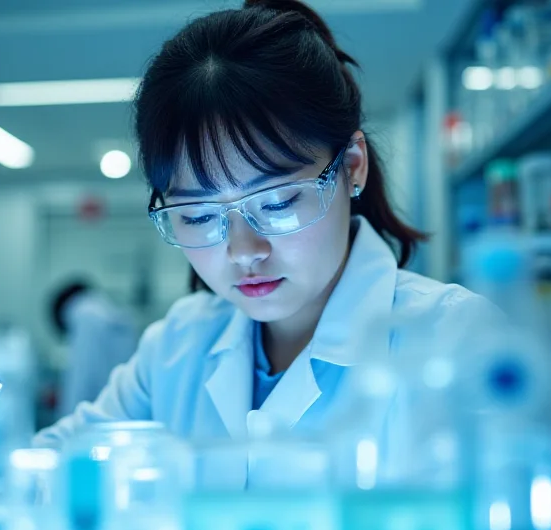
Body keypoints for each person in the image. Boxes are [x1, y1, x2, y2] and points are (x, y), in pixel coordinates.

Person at [34, 0, 496, 484]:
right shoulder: (177, 346)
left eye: (277, 202)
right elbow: (50, 468)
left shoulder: (456, 337)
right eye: (196, 215)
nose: (243, 250)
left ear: (352, 166)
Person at [50, 279, 139, 418]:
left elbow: (81, 378)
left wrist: (66, 418)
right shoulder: (109, 310)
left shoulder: (84, 314)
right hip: (121, 409)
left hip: (92, 417)